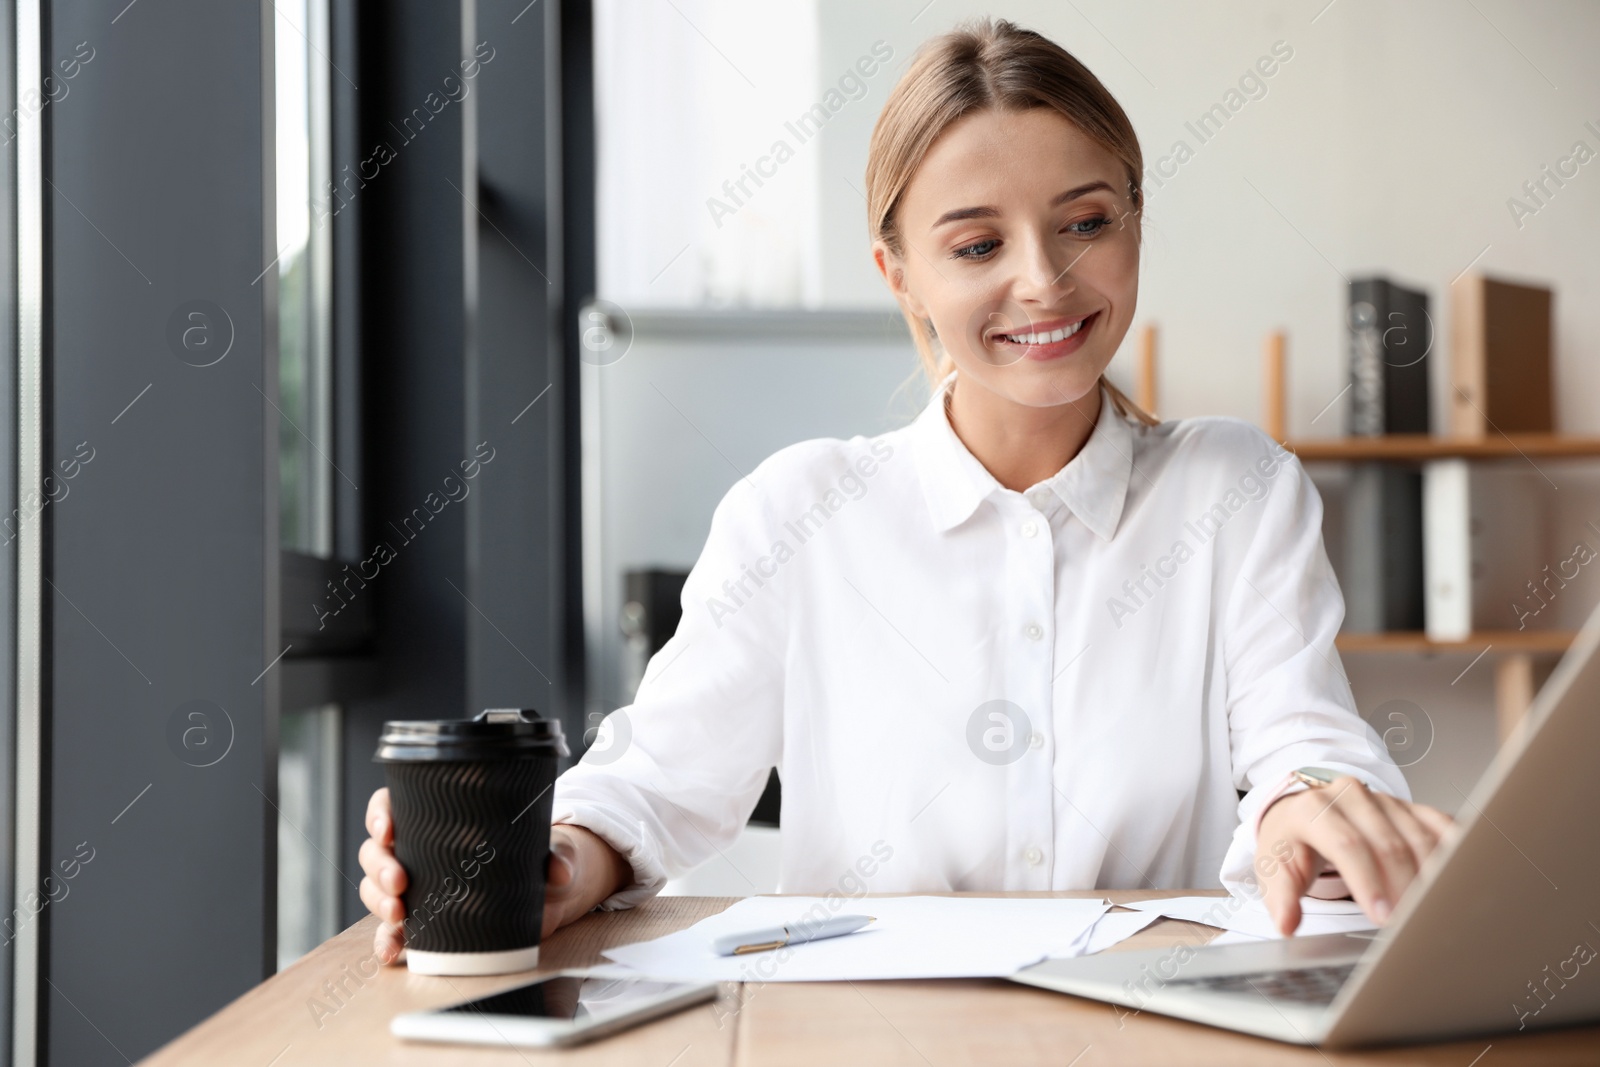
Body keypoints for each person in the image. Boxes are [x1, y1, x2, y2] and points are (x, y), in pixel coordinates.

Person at [360, 18, 1452, 964]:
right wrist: (554, 859)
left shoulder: (1237, 485)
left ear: (1132, 218)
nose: (1044, 278)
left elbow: (1301, 734)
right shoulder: (799, 510)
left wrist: (1309, 802)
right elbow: (653, 780)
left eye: (1086, 221)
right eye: (976, 243)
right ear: (899, 274)